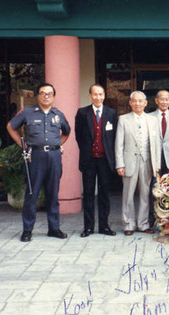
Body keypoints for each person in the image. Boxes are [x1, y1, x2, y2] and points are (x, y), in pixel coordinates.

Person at [6, 83, 70, 242]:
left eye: (49, 93)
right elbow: (10, 127)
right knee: (31, 194)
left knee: (53, 194)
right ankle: (27, 230)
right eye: (42, 93)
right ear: (38, 96)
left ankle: (54, 228)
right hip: (35, 156)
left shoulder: (58, 114)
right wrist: (24, 146)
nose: (46, 96)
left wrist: (57, 145)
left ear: (54, 96)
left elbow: (67, 132)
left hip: (54, 157)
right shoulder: (27, 113)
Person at [115, 91, 161, 235]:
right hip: (129, 161)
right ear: (130, 103)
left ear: (146, 103)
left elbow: (156, 144)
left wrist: (157, 164)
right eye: (135, 101)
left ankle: (143, 223)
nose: (138, 104)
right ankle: (128, 224)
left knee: (145, 193)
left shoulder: (153, 120)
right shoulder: (123, 119)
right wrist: (120, 164)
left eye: (141, 101)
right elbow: (119, 144)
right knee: (128, 194)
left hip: (147, 161)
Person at [75, 84, 117, 237]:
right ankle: (88, 227)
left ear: (104, 96)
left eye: (100, 94)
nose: (98, 97)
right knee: (88, 193)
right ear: (90, 95)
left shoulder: (111, 113)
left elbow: (114, 137)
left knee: (105, 194)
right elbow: (78, 136)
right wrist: (87, 151)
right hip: (89, 160)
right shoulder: (82, 113)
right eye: (95, 94)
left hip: (105, 160)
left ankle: (104, 226)